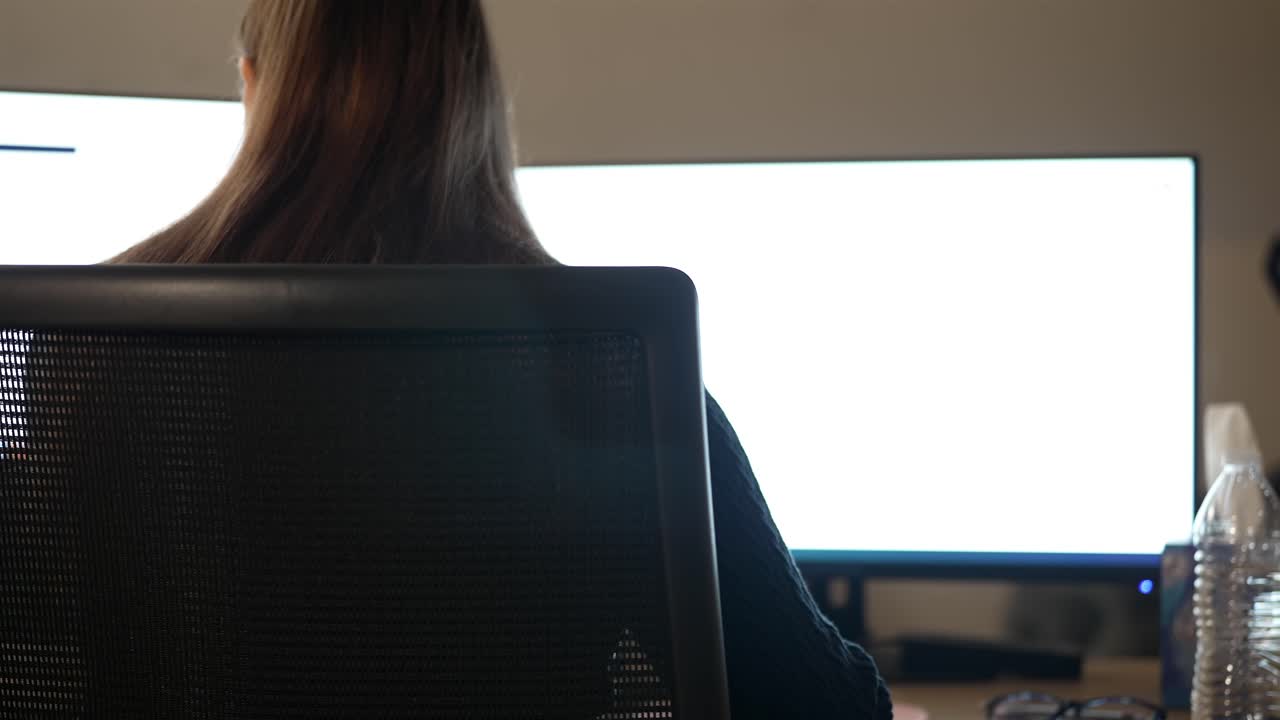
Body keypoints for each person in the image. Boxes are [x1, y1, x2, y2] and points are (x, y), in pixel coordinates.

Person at [113, 2, 890, 717]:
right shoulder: (610, 370)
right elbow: (820, 710)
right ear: (475, 107)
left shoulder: (93, 352)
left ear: (252, 90)